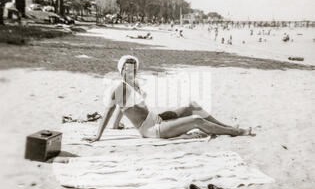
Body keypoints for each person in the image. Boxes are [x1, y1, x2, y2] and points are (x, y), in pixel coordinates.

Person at [84, 56, 254, 142]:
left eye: (133, 70)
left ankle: (227, 127)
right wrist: (98, 136)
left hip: (155, 119)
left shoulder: (132, 85)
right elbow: (110, 109)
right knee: (196, 120)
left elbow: (122, 108)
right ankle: (236, 132)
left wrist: (115, 126)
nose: (131, 73)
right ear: (121, 71)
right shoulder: (120, 88)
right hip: (151, 130)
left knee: (192, 106)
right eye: (127, 70)